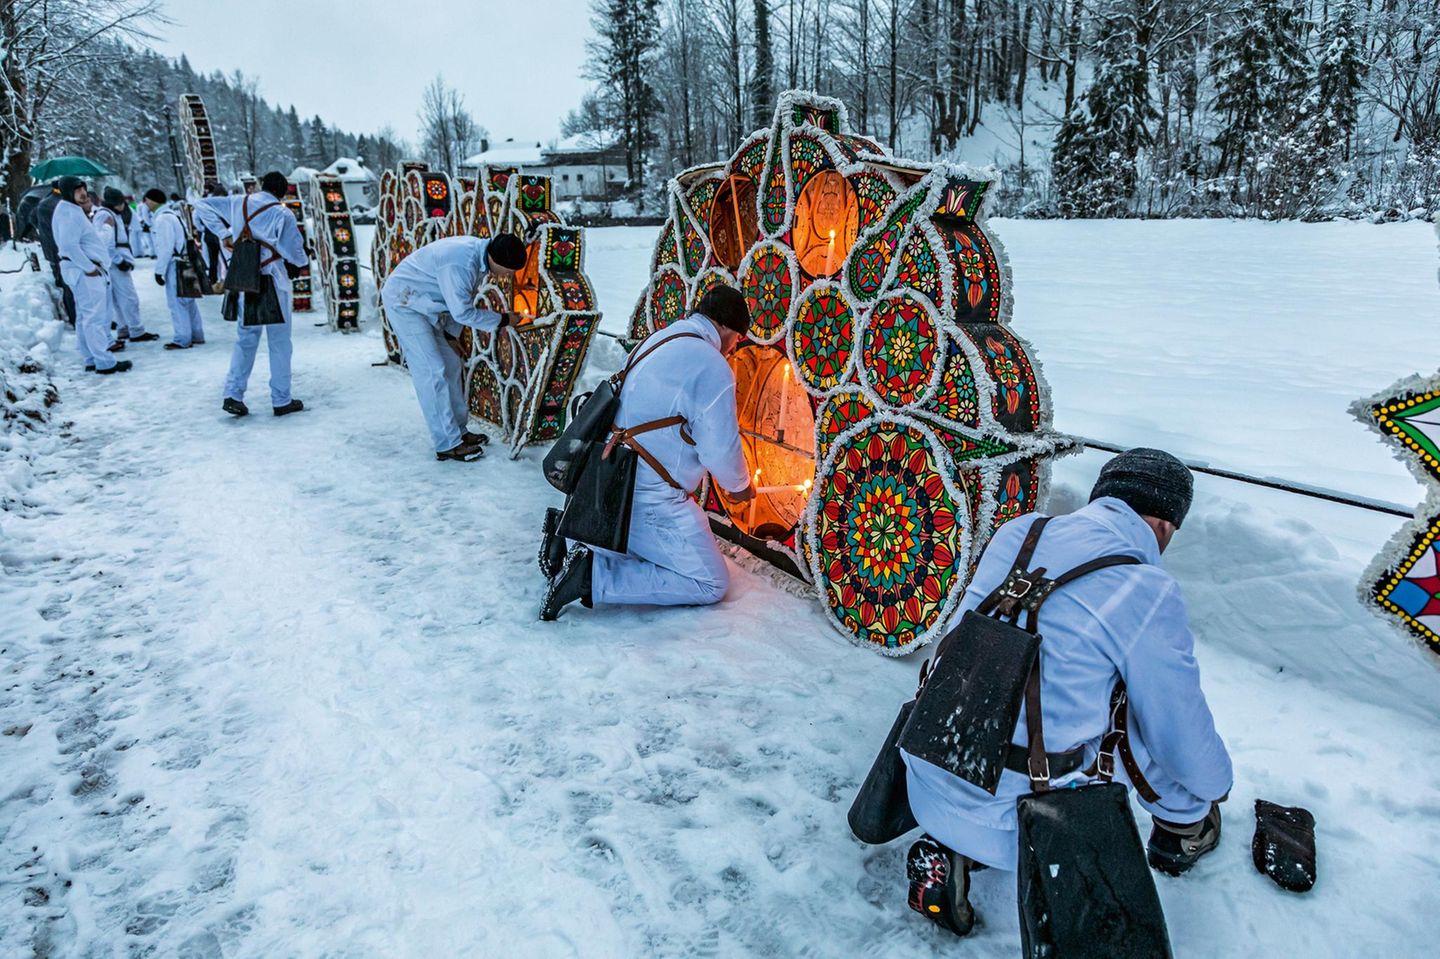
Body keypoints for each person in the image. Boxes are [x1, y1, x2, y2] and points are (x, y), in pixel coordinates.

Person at [898, 448, 1233, 937]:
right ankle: (1183, 831)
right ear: (1164, 525)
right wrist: (1215, 785)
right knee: (1136, 713)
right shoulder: (1142, 587)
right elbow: (1177, 730)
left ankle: (950, 850)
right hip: (1033, 825)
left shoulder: (1020, 532)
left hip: (925, 774)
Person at [539, 286, 757, 621]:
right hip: (650, 497)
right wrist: (740, 487)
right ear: (728, 328)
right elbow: (720, 450)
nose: (733, 349)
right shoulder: (712, 365)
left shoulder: (658, 339)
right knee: (710, 581)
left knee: (644, 548)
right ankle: (593, 577)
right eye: (737, 340)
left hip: (609, 477)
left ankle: (571, 541)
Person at [378, 233, 528, 460]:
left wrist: (450, 335)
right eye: (508, 271)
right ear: (496, 259)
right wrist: (503, 320)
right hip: (405, 302)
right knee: (431, 370)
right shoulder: (460, 261)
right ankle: (447, 443)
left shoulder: (479, 257)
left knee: (451, 363)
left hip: (425, 303)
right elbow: (463, 311)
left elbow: (461, 298)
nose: (508, 276)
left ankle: (459, 431)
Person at [197, 170, 308, 417]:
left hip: (244, 278)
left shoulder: (239, 202)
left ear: (261, 186)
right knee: (279, 342)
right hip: (273, 280)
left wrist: (223, 234)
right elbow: (296, 253)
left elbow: (201, 205)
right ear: (281, 192)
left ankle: (233, 394)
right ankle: (281, 399)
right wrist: (300, 260)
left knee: (245, 339)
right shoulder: (282, 213)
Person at [52, 176, 131, 375]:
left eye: (83, 189)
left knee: (85, 317)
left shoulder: (71, 211)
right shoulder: (68, 213)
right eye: (77, 190)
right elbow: (70, 246)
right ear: (68, 192)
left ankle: (91, 358)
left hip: (82, 270)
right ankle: (104, 361)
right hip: (84, 271)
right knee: (94, 318)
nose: (82, 193)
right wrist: (88, 267)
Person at [93, 187, 156, 344]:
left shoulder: (110, 214)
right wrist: (119, 260)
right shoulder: (106, 215)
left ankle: (124, 328)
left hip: (112, 261)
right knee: (129, 298)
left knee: (119, 299)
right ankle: (136, 329)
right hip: (114, 262)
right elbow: (107, 243)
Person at [146, 189, 205, 350]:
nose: (146, 204)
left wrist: (159, 271)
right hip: (186, 260)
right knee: (188, 300)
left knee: (177, 303)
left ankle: (183, 338)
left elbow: (165, 247)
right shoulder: (174, 215)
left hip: (175, 263)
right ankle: (197, 334)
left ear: (152, 200)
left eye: (147, 200)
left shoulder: (163, 219)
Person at [34, 180, 77, 326]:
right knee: (69, 286)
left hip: (52, 249)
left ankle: (75, 316)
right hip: (58, 250)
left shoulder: (45, 202)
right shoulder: (57, 204)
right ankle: (75, 317)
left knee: (66, 283)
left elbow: (32, 219)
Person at [133, 194, 156, 258]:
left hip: (149, 223)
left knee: (152, 239)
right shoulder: (141, 206)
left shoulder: (147, 205)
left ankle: (153, 252)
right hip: (146, 224)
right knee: (149, 239)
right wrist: (145, 222)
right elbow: (140, 215)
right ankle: (152, 253)